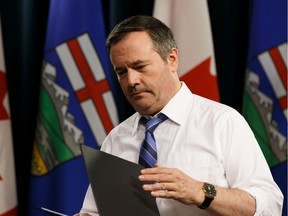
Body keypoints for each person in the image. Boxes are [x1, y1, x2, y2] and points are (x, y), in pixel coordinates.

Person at [76, 15, 283, 216]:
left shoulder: (222, 122)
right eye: (122, 72)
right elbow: (95, 210)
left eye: (140, 67)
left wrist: (201, 192)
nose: (131, 81)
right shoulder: (116, 137)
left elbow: (269, 206)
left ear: (172, 59)